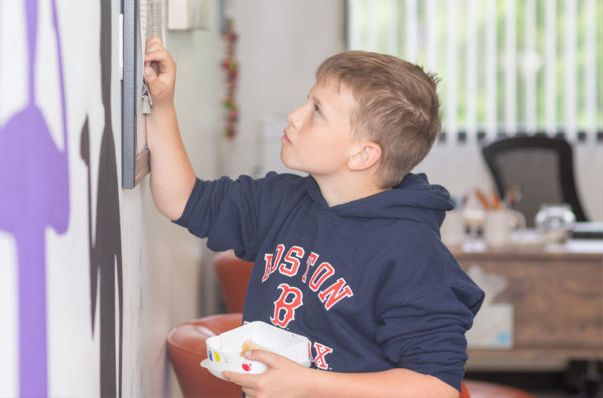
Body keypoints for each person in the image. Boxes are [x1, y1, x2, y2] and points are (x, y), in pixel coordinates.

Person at [142, 35, 484, 398]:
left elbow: (437, 388)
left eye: (317, 110)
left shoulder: (413, 254)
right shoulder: (281, 200)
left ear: (362, 155)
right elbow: (182, 199)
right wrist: (161, 106)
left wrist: (306, 385)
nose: (295, 115)